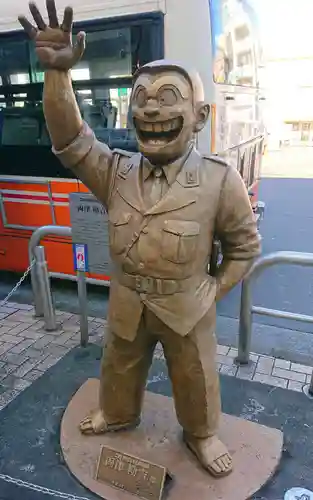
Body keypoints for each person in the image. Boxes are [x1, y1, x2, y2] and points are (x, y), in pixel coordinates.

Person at [19, 0, 261, 478]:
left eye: (168, 96)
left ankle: (201, 434)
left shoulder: (218, 179)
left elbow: (245, 247)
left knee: (195, 379)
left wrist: (214, 289)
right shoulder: (117, 171)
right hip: (129, 300)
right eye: (142, 95)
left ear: (200, 115)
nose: (151, 107)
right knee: (118, 367)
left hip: (186, 306)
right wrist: (56, 76)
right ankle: (118, 413)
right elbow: (72, 142)